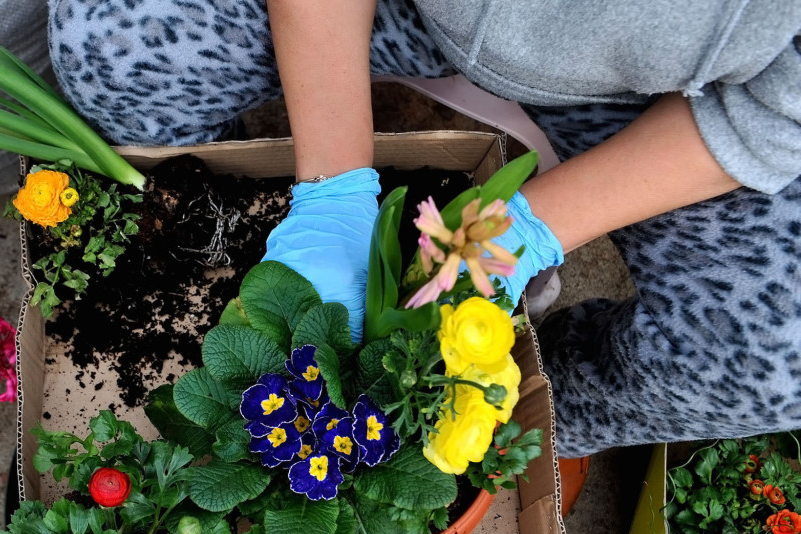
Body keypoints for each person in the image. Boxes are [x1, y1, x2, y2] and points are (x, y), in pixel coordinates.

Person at [47, 0, 801, 460]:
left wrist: (528, 228)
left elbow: (777, 113)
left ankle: (479, 414)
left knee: (778, 358)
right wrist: (333, 190)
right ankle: (224, 216)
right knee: (110, 41)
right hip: (418, 12)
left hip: (671, 95)